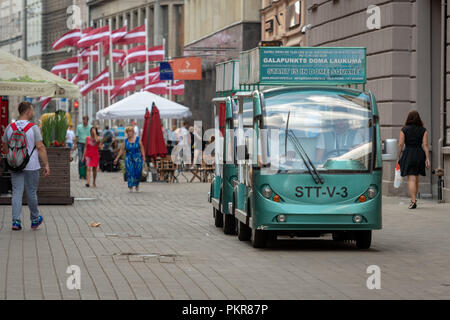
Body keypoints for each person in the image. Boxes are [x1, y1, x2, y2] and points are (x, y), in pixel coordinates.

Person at [1, 102, 50, 231]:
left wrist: (13, 156)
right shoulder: (33, 128)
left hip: (15, 165)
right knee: (31, 192)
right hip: (31, 165)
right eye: (32, 110)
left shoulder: (9, 127)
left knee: (17, 192)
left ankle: (16, 221)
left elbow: (4, 148)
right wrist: (46, 164)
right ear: (28, 111)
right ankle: (34, 219)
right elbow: (40, 147)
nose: (33, 113)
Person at [397, 110, 431, 209]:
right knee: (416, 179)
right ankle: (414, 199)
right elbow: (425, 145)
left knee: (411, 179)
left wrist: (398, 157)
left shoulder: (404, 129)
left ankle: (412, 202)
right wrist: (427, 158)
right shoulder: (423, 130)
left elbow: (400, 144)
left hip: (408, 154)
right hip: (419, 154)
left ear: (409, 118)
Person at [114, 126, 146, 192]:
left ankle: (137, 185)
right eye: (128, 132)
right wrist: (116, 158)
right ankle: (131, 187)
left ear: (133, 132)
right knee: (130, 172)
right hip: (129, 159)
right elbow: (121, 150)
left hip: (137, 158)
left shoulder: (138, 139)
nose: (129, 133)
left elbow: (142, 148)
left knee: (137, 172)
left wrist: (144, 156)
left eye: (130, 132)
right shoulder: (125, 141)